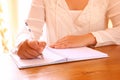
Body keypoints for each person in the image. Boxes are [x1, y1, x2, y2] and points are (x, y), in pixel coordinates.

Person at [16, 0, 120, 59]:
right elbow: (28, 29)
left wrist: (89, 38)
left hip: (96, 69)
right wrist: (24, 43)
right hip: (56, 69)